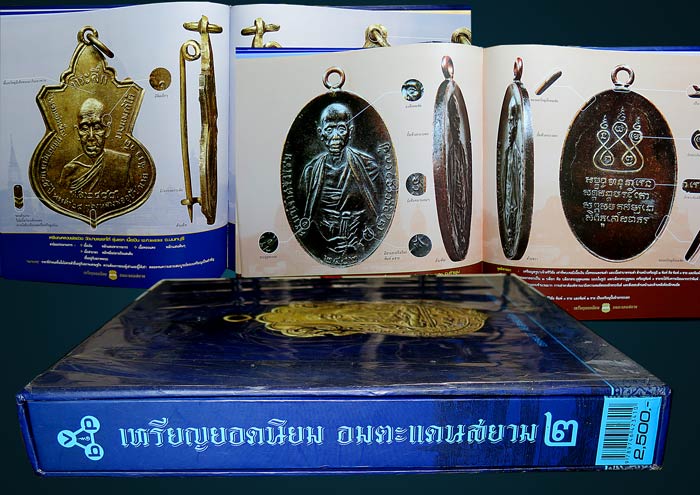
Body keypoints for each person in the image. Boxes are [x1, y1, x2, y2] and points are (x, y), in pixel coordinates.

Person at [300, 103, 381, 256]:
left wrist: (360, 236)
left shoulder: (368, 167)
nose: (335, 136)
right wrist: (323, 242)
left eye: (341, 129)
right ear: (321, 133)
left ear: (350, 132)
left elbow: (377, 214)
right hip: (323, 242)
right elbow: (304, 218)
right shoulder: (310, 172)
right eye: (329, 129)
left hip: (358, 239)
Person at [59, 98, 131, 193]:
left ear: (107, 131)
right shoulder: (69, 170)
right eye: (84, 129)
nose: (91, 136)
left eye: (97, 128)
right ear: (77, 133)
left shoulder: (120, 164)